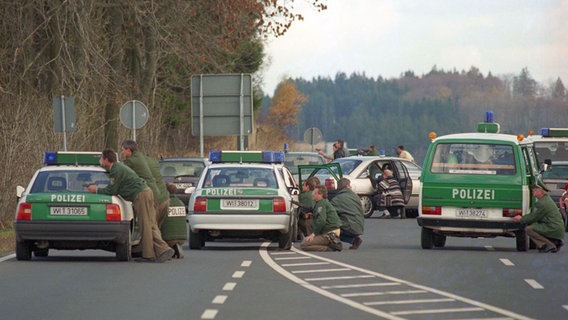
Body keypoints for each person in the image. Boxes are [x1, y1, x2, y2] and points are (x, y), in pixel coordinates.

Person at [87, 149, 174, 262]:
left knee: (145, 225)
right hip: (144, 193)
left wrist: (97, 190)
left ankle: (152, 254)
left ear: (107, 159)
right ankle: (160, 251)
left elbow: (113, 189)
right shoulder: (117, 167)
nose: (100, 161)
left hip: (140, 195)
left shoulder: (116, 170)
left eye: (101, 159)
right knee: (150, 224)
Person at [512, 182, 564, 253]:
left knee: (529, 229)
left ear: (541, 191)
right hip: (556, 227)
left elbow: (534, 217)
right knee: (535, 225)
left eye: (535, 190)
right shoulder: (546, 199)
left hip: (553, 227)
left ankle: (548, 245)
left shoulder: (542, 203)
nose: (533, 191)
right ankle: (555, 242)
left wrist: (521, 219)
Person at [300, 186, 343, 252]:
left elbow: (321, 221)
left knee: (304, 245)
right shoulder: (322, 202)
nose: (312, 194)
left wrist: (313, 234)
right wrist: (313, 215)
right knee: (309, 222)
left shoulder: (321, 204)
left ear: (321, 195)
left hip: (329, 233)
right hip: (331, 231)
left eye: (315, 193)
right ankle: (328, 243)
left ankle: (330, 247)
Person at [330, 178, 364, 249]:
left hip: (349, 226)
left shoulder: (337, 199)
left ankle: (335, 242)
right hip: (359, 225)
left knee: (331, 226)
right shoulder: (355, 196)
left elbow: (330, 213)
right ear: (348, 185)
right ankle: (354, 240)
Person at [164, 182, 188, 259]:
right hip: (182, 237)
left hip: (168, 237)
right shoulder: (180, 203)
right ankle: (176, 247)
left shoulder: (165, 203)